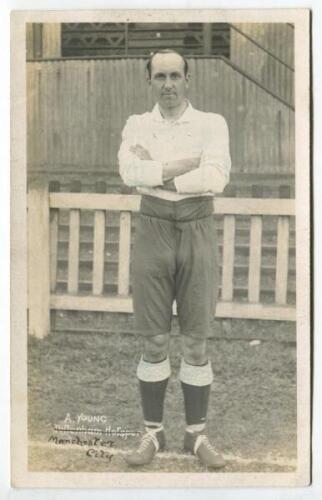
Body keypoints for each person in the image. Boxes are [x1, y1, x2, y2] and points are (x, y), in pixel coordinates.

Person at [118, 49, 231, 468]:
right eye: (159, 76)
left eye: (175, 76)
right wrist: (187, 165)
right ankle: (153, 432)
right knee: (154, 339)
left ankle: (195, 436)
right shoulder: (136, 124)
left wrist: (159, 170)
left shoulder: (211, 123)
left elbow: (215, 177)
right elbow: (129, 173)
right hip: (153, 228)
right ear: (149, 80)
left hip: (197, 226)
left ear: (188, 79)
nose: (168, 84)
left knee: (196, 342)